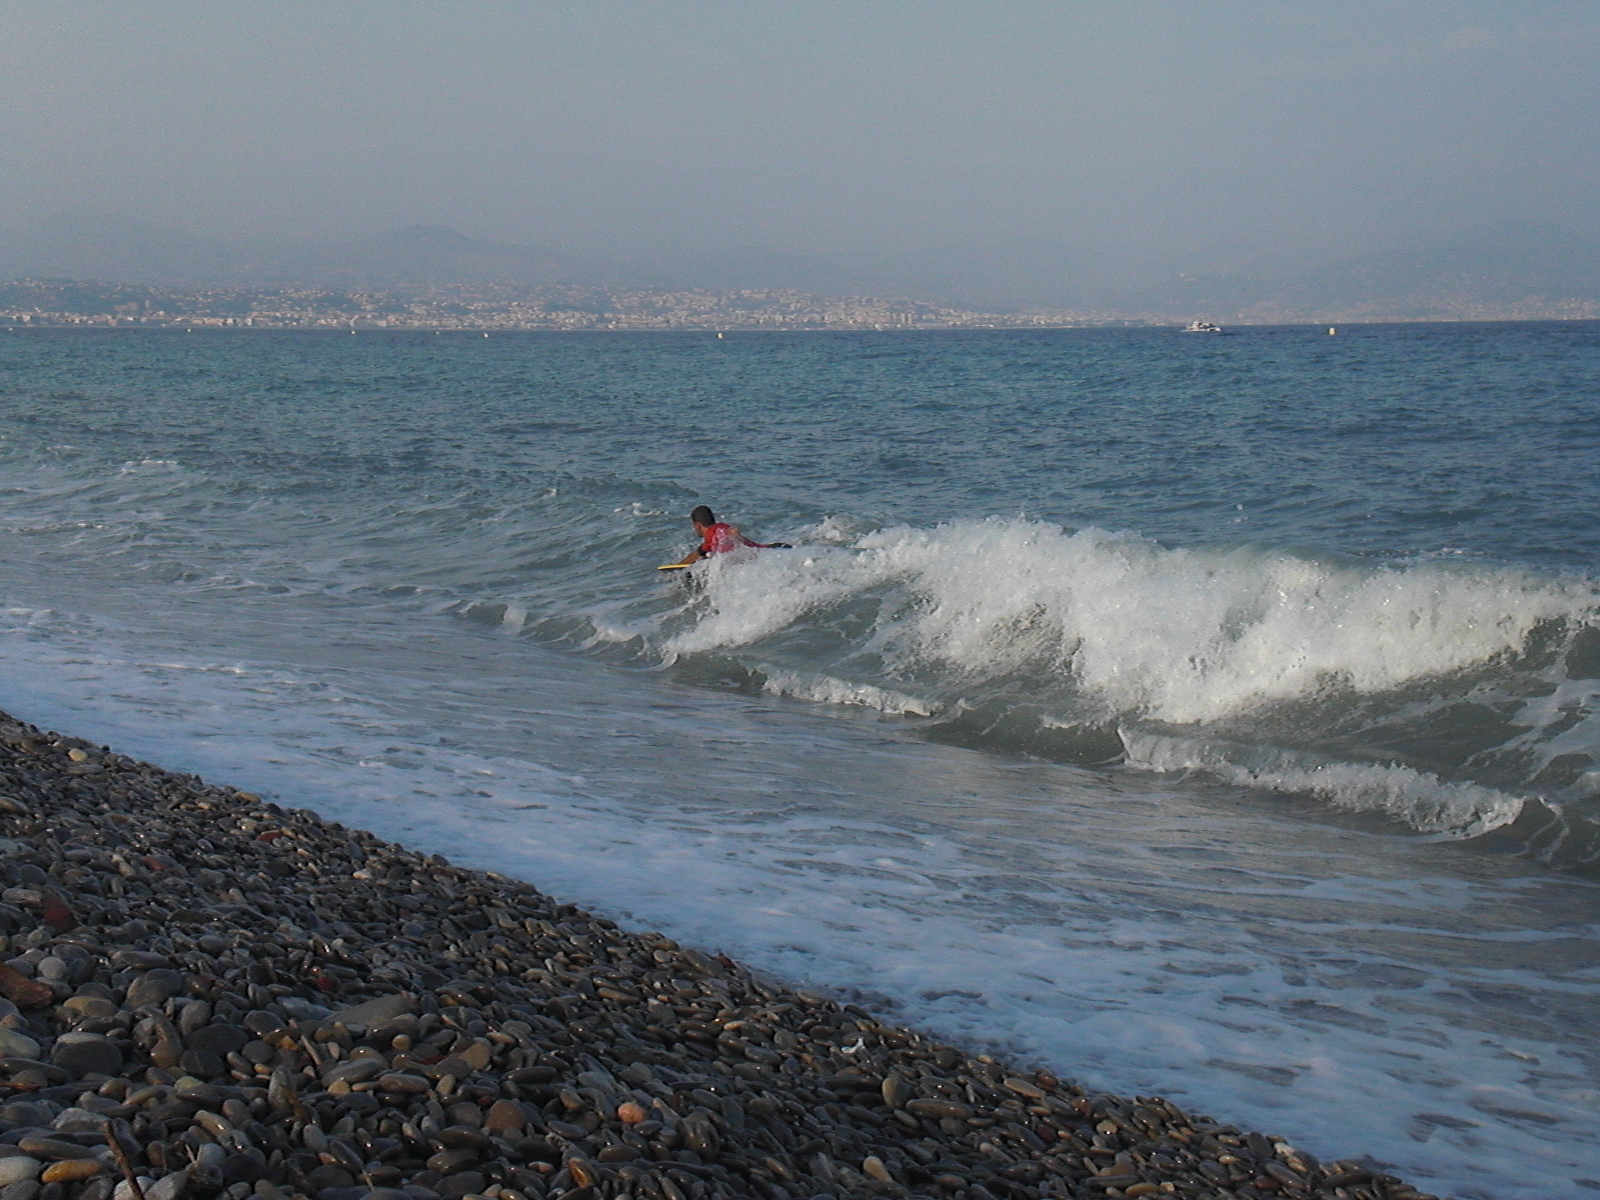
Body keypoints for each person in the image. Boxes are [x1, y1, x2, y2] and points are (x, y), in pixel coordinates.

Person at [673, 505, 791, 565]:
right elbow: (700, 553)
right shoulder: (711, 539)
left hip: (771, 551)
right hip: (769, 552)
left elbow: (728, 531)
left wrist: (733, 533)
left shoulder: (716, 531)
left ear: (697, 525)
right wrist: (679, 566)